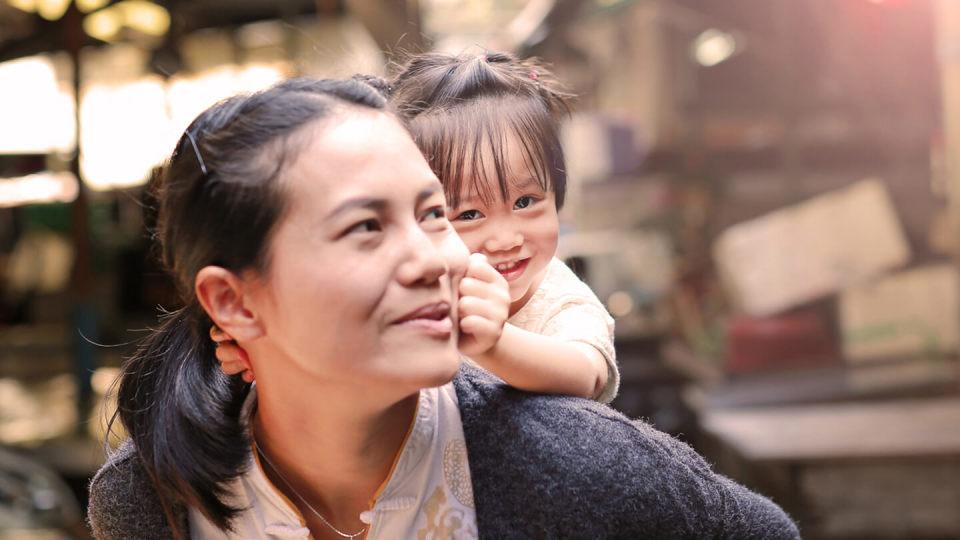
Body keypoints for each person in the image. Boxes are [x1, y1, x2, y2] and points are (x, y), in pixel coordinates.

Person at [87, 77, 800, 539]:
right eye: (366, 227)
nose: (444, 258)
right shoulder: (150, 503)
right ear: (233, 303)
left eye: (431, 215)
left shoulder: (579, 468)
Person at [219, 52, 620, 403]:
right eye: (466, 214)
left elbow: (586, 374)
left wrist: (494, 343)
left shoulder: (558, 298)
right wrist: (270, 351)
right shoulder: (410, 288)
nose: (506, 239)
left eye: (525, 202)